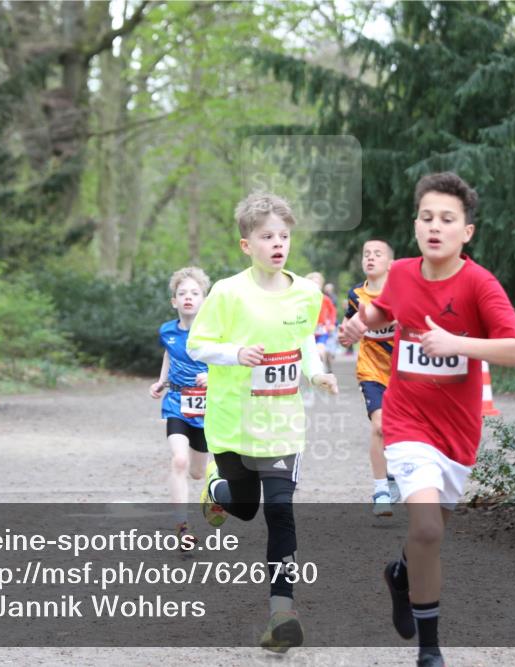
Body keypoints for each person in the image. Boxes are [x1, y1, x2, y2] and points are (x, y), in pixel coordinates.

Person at [341, 173, 515, 667]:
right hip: (407, 422)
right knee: (426, 529)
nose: (435, 227)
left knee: (430, 535)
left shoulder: (478, 284)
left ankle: (401, 574)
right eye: (427, 217)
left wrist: (458, 345)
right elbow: (384, 310)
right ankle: (431, 652)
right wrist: (358, 326)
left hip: (457, 432)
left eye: (447, 219)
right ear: (415, 225)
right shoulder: (402, 273)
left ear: (466, 232)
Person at [187, 192, 339, 653]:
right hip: (233, 422)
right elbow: (198, 346)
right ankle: (216, 491)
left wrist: (316, 373)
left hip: (281, 425)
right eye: (267, 236)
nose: (278, 244)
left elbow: (304, 343)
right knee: (246, 506)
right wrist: (235, 354)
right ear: (245, 245)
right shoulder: (228, 292)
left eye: (284, 236)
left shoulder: (307, 294)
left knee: (278, 510)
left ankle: (282, 614)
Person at [148, 267, 211, 549]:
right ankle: (182, 527)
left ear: (204, 300)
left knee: (198, 472)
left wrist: (213, 377)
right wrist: (162, 380)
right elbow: (169, 353)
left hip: (208, 409)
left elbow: (230, 361)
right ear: (174, 301)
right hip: (176, 404)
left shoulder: (214, 333)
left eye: (195, 293)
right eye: (182, 293)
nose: (188, 297)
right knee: (179, 461)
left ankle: (212, 487)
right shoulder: (167, 331)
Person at [337, 239, 400, 516]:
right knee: (380, 426)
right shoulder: (355, 294)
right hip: (371, 371)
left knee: (400, 432)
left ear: (390, 263)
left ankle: (394, 476)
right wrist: (344, 338)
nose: (370, 258)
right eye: (366, 254)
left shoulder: (401, 292)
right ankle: (380, 491)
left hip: (403, 372)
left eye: (378, 254)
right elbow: (347, 331)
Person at [306, 272, 337, 373]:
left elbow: (332, 312)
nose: (315, 285)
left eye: (317, 283)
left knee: (320, 351)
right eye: (312, 283)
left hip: (322, 330)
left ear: (321, 285)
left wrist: (331, 324)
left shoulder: (325, 299)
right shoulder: (304, 299)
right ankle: (314, 372)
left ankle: (322, 369)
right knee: (310, 354)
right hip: (308, 332)